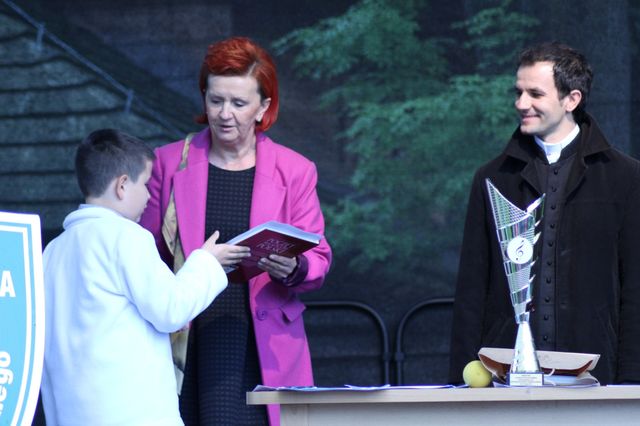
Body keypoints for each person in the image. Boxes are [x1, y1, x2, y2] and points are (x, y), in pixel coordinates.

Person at [139, 36, 332, 425]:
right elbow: (144, 255)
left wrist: (293, 268)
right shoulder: (168, 163)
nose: (224, 114)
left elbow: (319, 258)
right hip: (188, 337)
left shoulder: (295, 170)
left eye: (239, 103)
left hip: (263, 343)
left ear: (263, 107)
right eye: (216, 100)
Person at [449, 42, 640, 385]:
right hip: (503, 378)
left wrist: (631, 386)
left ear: (572, 100)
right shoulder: (493, 178)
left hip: (598, 380)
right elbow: (471, 291)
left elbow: (635, 290)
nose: (521, 103)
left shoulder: (625, 178)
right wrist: (463, 385)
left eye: (535, 94)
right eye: (518, 92)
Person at [41, 129, 235, 425]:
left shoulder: (52, 251)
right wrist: (208, 262)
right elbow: (171, 309)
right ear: (122, 185)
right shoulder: (127, 236)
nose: (149, 195)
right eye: (145, 184)